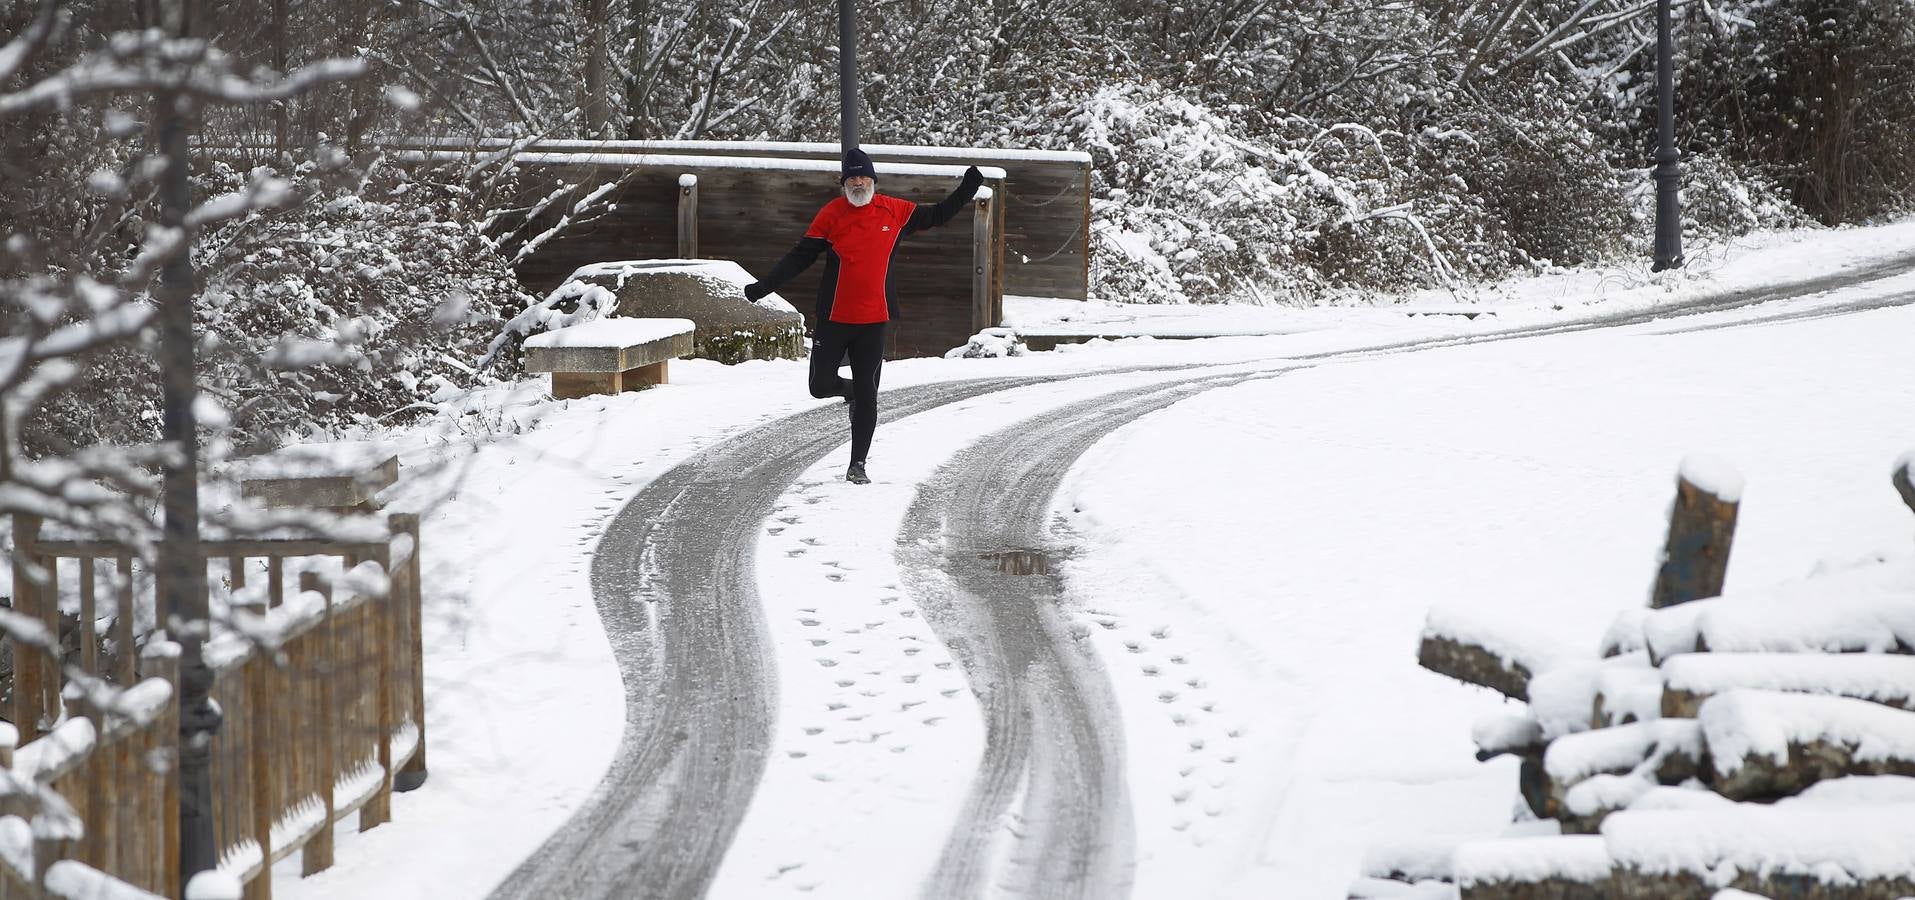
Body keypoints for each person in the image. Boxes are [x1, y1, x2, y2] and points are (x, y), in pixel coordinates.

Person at [744, 148, 983, 485]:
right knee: (819, 386)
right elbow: (800, 257)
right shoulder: (830, 215)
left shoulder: (895, 210)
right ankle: (852, 391)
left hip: (874, 319)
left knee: (870, 393)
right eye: (851, 178)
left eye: (863, 176)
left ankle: (858, 464)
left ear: (873, 180)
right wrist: (764, 286)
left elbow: (938, 215)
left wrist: (967, 188)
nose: (858, 182)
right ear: (844, 184)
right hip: (835, 317)